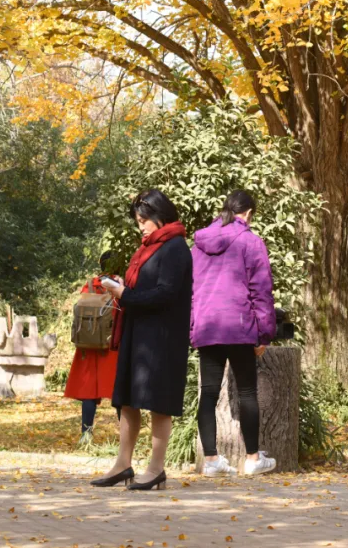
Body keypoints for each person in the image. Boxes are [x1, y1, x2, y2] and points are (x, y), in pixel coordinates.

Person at [90, 189, 192, 491]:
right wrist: (124, 287)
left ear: (161, 216)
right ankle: (123, 464)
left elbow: (166, 293)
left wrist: (127, 295)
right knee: (128, 401)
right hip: (138, 334)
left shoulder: (175, 248)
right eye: (138, 221)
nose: (142, 226)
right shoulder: (147, 248)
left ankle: (156, 468)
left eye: (145, 220)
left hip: (162, 337)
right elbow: (145, 286)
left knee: (158, 404)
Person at [191, 190, 278, 477]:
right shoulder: (251, 242)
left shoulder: (200, 243)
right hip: (239, 325)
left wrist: (193, 326)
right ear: (249, 213)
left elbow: (192, 289)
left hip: (207, 325)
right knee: (248, 392)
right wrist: (264, 334)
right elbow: (261, 291)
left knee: (208, 393)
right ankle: (252, 459)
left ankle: (212, 461)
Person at [63, 251, 121, 437]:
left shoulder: (89, 286)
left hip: (87, 347)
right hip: (111, 346)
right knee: (119, 392)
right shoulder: (119, 287)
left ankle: (86, 434)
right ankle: (125, 438)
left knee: (89, 392)